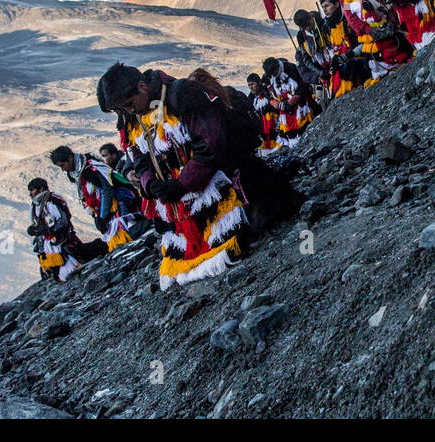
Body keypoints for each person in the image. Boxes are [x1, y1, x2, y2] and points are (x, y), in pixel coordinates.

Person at [97, 63, 249, 288]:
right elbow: (138, 156)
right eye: (123, 109)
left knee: (230, 242)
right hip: (177, 200)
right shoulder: (135, 114)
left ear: (141, 87)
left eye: (129, 104)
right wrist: (150, 184)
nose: (128, 112)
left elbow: (211, 145)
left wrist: (182, 184)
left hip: (211, 184)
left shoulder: (183, 95)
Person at [49, 146, 144, 252]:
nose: (63, 169)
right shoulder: (75, 173)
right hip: (106, 207)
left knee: (127, 235)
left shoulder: (90, 168)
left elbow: (106, 190)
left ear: (70, 157)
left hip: (120, 202)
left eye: (63, 165)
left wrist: (103, 216)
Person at [27, 177, 107, 280]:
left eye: (32, 190)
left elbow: (63, 221)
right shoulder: (34, 206)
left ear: (41, 189)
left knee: (72, 267)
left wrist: (47, 230)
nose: (30, 194)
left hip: (63, 239)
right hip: (48, 244)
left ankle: (100, 247)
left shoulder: (53, 199)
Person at [317, 0, 374, 96]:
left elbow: (366, 42)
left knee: (347, 70)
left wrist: (348, 55)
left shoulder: (350, 20)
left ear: (337, 4)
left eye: (327, 6)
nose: (324, 10)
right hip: (345, 61)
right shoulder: (330, 27)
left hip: (362, 57)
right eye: (322, 7)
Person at [262, 56, 316, 148]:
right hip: (284, 109)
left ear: (277, 67)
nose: (273, 75)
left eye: (274, 72)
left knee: (305, 127)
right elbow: (266, 94)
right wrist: (277, 105)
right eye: (271, 74)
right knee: (290, 133)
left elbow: (303, 86)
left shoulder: (291, 68)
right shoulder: (267, 77)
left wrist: (291, 101)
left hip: (300, 105)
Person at [247, 72, 281, 154]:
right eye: (249, 85)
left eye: (252, 84)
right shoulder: (251, 98)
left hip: (276, 125)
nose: (251, 87)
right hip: (263, 129)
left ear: (258, 83)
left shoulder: (268, 92)